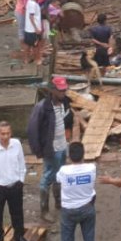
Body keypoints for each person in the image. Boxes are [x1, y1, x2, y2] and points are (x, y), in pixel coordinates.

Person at [26, 77, 74, 222]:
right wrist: (38, 150)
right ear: (52, 90)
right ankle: (44, 210)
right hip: (50, 148)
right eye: (60, 90)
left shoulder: (65, 103)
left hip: (62, 145)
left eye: (65, 89)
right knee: (47, 177)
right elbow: (32, 130)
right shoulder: (42, 107)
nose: (63, 92)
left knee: (60, 175)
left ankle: (59, 202)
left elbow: (67, 121)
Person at [55, 141, 100, 241]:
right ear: (83, 155)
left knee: (67, 238)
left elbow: (57, 180)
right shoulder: (92, 168)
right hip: (87, 207)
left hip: (68, 210)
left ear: (69, 156)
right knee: (89, 236)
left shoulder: (63, 171)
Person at [22, 0, 43, 64]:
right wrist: (36, 28)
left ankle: (26, 59)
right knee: (36, 45)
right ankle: (37, 60)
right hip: (33, 29)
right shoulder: (33, 4)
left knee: (28, 45)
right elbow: (31, 17)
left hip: (28, 29)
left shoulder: (30, 2)